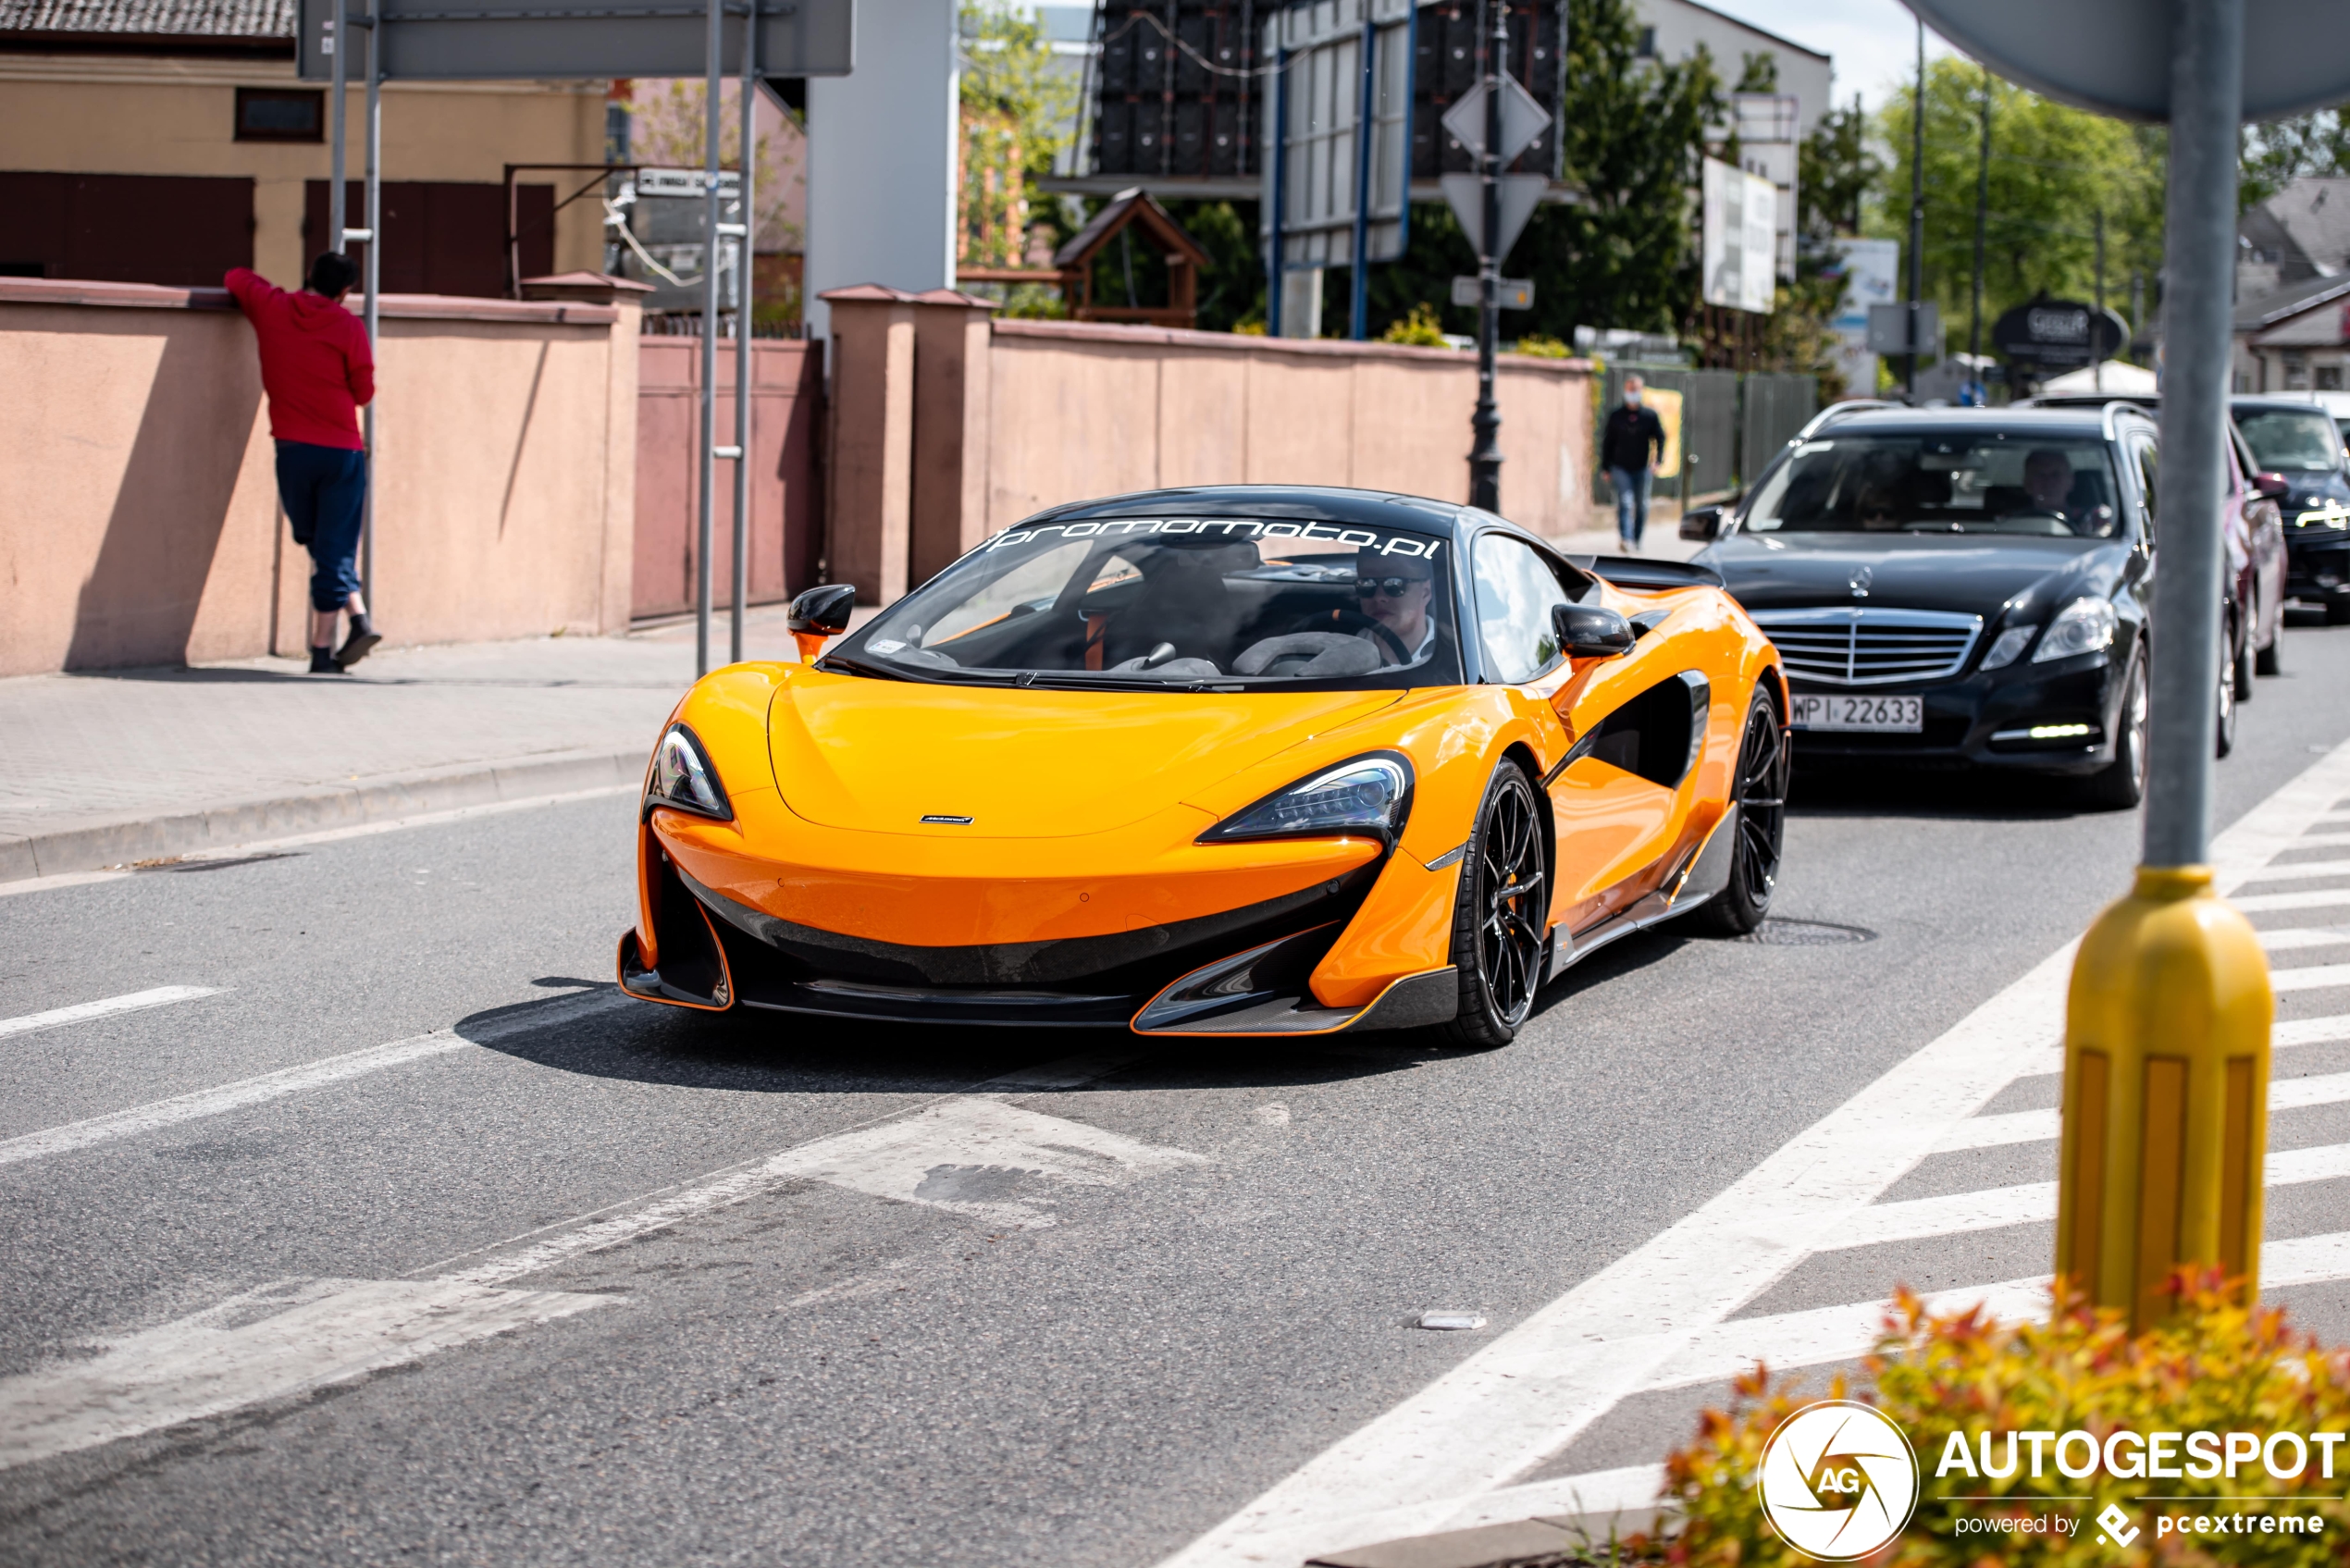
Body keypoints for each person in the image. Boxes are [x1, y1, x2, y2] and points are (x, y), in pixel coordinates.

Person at [225, 253, 381, 674]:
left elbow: (235, 275)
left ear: (309, 275)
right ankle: (328, 645)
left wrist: (275, 293)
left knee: (317, 540)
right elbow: (364, 393)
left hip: (293, 451)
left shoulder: (271, 306)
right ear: (345, 292)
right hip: (342, 453)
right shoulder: (349, 326)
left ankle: (342, 629)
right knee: (331, 546)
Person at [1601, 376, 1667, 552]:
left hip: (1642, 468)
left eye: (1636, 389)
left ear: (1641, 390)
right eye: (1630, 389)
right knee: (1625, 502)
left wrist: (1658, 460)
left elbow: (1660, 438)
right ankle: (1626, 539)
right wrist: (1605, 467)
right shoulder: (1616, 416)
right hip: (1620, 467)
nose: (1632, 393)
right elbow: (1607, 442)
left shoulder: (1649, 416)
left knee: (1642, 505)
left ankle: (1637, 540)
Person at [1353, 549, 1438, 664]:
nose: (1378, 597)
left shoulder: (1456, 656)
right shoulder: (1341, 656)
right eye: (1367, 584)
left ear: (1426, 592)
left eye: (1394, 584)